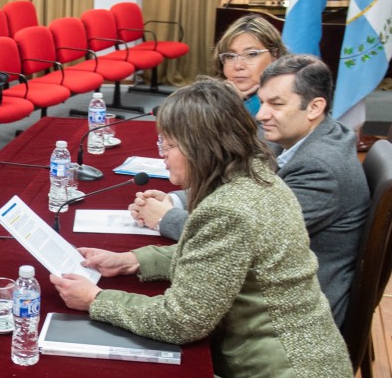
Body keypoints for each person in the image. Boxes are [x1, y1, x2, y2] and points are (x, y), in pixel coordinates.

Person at [51, 78, 353, 378]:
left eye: (169, 145)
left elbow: (182, 321)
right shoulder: (259, 181)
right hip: (314, 377)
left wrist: (96, 299)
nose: (162, 155)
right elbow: (216, 260)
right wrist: (133, 261)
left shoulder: (228, 208)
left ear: (201, 147)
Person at [130, 55, 367, 328]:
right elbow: (236, 182)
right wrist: (176, 199)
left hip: (292, 316)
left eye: (275, 104)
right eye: (262, 101)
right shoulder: (294, 136)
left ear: (314, 107)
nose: (260, 114)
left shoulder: (322, 168)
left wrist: (164, 218)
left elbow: (242, 238)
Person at [213, 14, 285, 117]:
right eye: (230, 56)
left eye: (251, 54)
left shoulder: (286, 104)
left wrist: (231, 106)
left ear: (275, 55)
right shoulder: (209, 98)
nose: (238, 66)